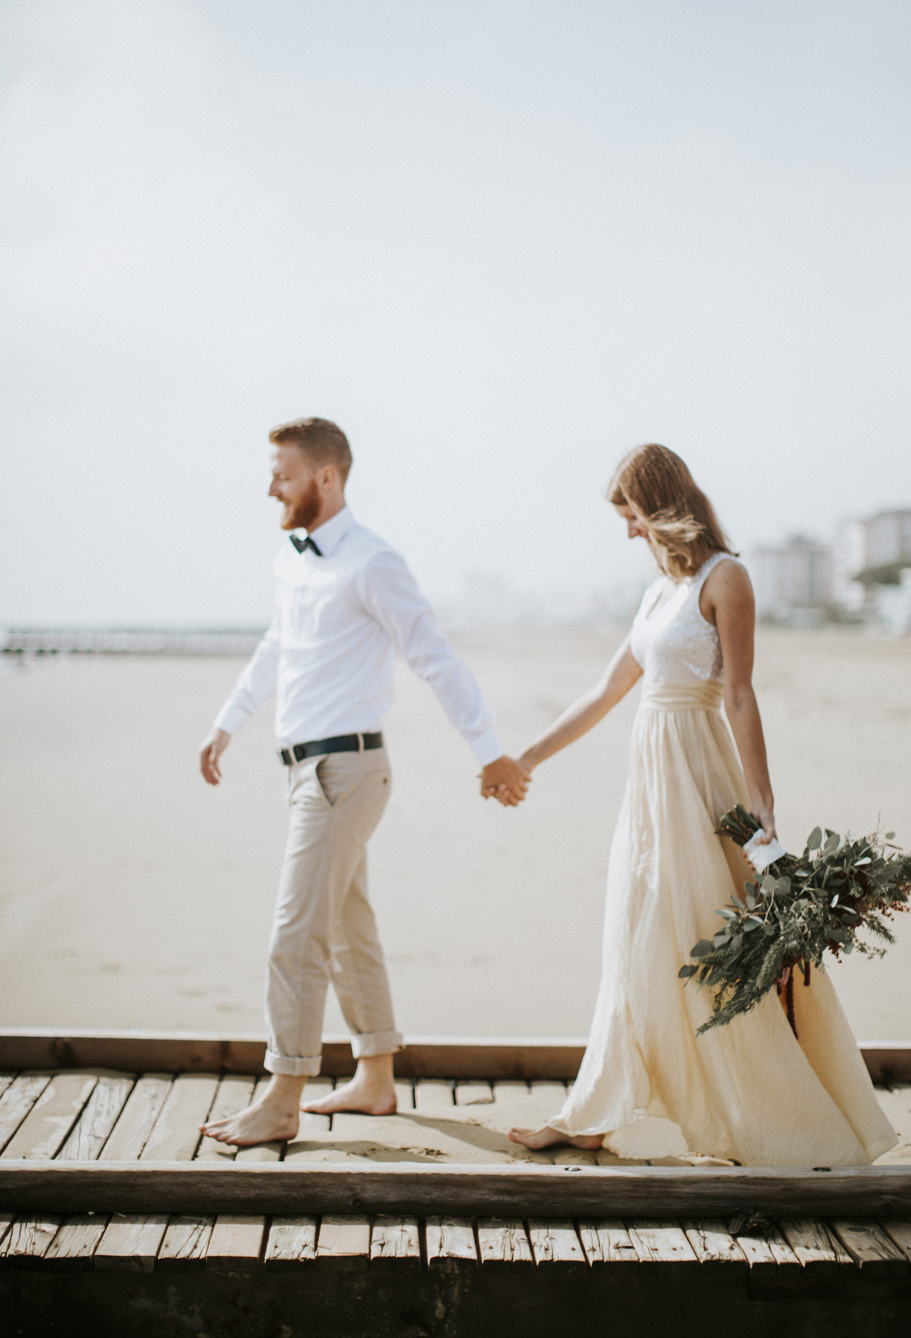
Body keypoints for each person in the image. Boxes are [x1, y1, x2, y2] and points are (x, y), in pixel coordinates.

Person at [508, 444, 896, 1166]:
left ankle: (761, 1116)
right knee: (632, 935)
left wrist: (763, 814)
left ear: (658, 507)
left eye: (629, 514)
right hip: (648, 783)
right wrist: (525, 758)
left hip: (699, 773)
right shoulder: (656, 593)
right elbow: (604, 692)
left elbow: (739, 695)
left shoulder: (727, 578)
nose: (626, 532)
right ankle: (597, 1108)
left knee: (709, 941)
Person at [198, 417, 529, 1146]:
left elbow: (434, 656)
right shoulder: (294, 559)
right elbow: (274, 646)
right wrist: (228, 723)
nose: (269, 488)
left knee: (295, 933)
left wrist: (490, 751)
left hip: (348, 771)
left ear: (325, 476)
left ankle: (283, 1098)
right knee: (347, 930)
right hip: (302, 769)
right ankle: (375, 1078)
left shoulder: (374, 562)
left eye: (281, 475)